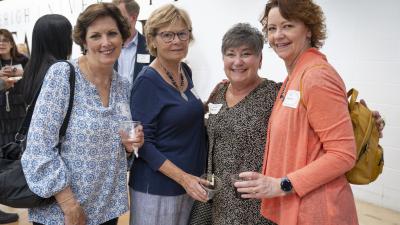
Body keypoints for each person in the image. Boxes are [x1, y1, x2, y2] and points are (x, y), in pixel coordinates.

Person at [235, 0, 360, 224]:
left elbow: (343, 154)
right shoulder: (295, 76)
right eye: (272, 28)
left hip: (320, 211)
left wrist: (281, 184)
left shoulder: (315, 76)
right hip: (298, 207)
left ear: (309, 30)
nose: (278, 35)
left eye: (288, 26)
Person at [21, 4, 143, 225]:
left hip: (107, 208)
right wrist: (70, 206)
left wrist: (127, 148)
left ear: (123, 37)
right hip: (63, 213)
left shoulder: (122, 85)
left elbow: (115, 150)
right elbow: (39, 147)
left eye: (112, 33)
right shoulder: (63, 75)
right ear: (84, 42)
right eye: (96, 35)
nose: (105, 42)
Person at [129, 4, 208, 225]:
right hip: (158, 188)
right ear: (152, 40)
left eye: (182, 33)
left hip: (190, 184)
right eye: (167, 35)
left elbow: (182, 113)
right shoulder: (147, 81)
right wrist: (184, 179)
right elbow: (143, 145)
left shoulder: (185, 71)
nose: (177, 41)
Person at [202, 23, 278, 225]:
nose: (237, 62)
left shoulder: (275, 95)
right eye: (230, 54)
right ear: (223, 59)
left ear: (260, 59)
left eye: (246, 54)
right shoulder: (218, 92)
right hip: (218, 200)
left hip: (256, 202)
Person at [0, 28, 29, 225]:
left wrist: (21, 73)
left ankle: (17, 195)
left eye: (4, 40)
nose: (1, 43)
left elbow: (33, 79)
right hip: (0, 115)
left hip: (19, 113)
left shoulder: (25, 60)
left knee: (18, 157)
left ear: (11, 42)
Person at [112, 0, 154, 88]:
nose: (115, 22)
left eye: (119, 17)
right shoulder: (108, 46)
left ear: (133, 17)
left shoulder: (151, 46)